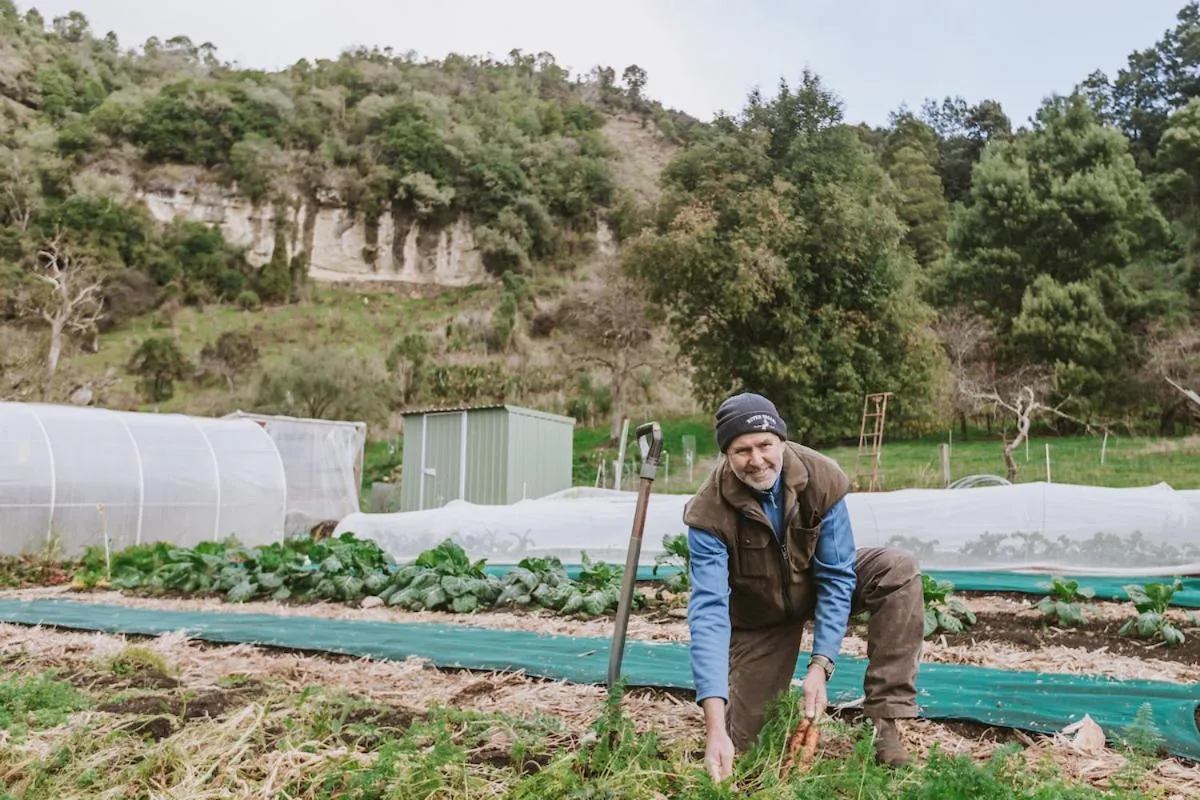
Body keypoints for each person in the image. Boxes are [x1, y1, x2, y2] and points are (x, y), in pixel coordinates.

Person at [682, 392, 924, 780]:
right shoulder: (708, 512)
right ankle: (730, 731)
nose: (757, 459)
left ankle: (885, 724)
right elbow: (709, 615)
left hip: (812, 583)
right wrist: (713, 730)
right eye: (742, 450)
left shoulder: (820, 477)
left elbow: (837, 576)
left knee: (898, 569)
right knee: (748, 749)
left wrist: (820, 666)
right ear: (726, 454)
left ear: (781, 441)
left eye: (765, 445)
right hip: (759, 616)